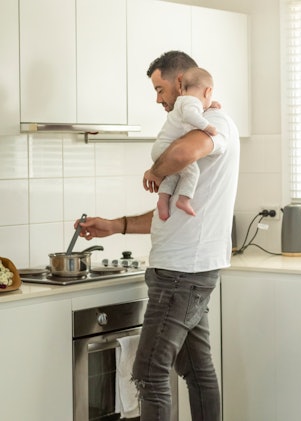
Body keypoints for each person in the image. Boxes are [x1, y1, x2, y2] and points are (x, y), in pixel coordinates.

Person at [77, 50, 239, 421]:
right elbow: (171, 218)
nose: (158, 99)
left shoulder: (214, 123)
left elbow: (183, 153)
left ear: (181, 83)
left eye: (160, 88)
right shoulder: (193, 123)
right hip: (185, 271)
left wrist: (154, 169)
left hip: (181, 275)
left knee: (148, 373)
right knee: (197, 371)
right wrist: (116, 226)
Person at [152, 66, 217, 221]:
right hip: (166, 148)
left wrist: (210, 104)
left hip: (161, 148)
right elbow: (191, 115)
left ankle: (163, 199)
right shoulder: (192, 103)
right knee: (192, 172)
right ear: (207, 92)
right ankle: (184, 199)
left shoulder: (182, 101)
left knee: (173, 176)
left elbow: (193, 111)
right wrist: (207, 127)